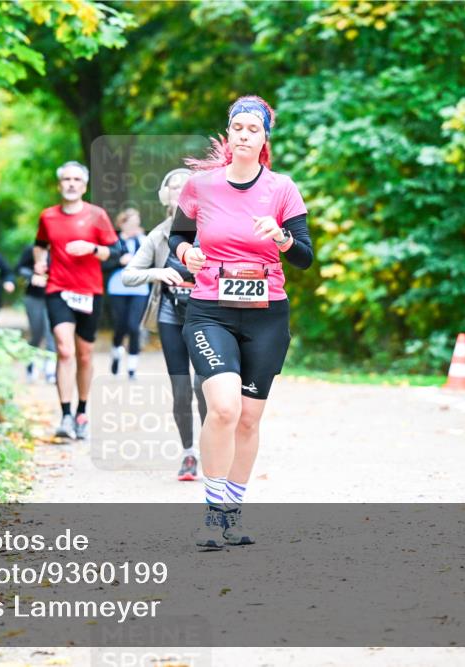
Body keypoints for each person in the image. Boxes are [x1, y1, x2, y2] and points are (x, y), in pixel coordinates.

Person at [169, 95, 314, 550]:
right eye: (238, 128)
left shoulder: (282, 188)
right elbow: (178, 236)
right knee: (224, 409)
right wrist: (187, 253)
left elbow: (305, 256)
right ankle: (212, 514)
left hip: (266, 315)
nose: (245, 135)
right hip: (210, 310)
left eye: (254, 129)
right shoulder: (200, 186)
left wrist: (282, 238)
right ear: (228, 134)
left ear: (265, 137)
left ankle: (232, 512)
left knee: (249, 420)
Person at [122, 168, 208, 481]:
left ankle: (212, 449)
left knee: (205, 387)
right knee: (182, 390)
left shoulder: (211, 229)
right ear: (164, 196)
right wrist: (156, 273)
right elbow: (128, 275)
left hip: (206, 315)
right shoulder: (157, 235)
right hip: (171, 316)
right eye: (174, 187)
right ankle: (188, 454)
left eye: (186, 186)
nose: (180, 191)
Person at [33, 161, 121, 440]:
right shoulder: (48, 216)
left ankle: (82, 411)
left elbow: (115, 252)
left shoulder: (97, 215)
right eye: (66, 179)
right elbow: (40, 245)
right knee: (64, 350)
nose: (71, 184)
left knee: (84, 354)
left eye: (76, 180)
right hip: (57, 288)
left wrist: (92, 248)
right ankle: (65, 415)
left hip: (89, 292)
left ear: (84, 186)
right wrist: (39, 264)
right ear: (60, 185)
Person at [105, 208, 150, 380]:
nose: (134, 227)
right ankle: (116, 354)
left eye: (136, 223)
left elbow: (153, 261)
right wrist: (119, 261)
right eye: (130, 223)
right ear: (122, 224)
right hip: (118, 288)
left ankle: (132, 368)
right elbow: (104, 265)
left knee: (134, 327)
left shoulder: (143, 240)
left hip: (139, 289)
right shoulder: (113, 241)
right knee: (120, 326)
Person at [16, 244, 57, 384]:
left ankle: (50, 369)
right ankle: (31, 363)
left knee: (50, 333)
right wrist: (32, 276)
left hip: (53, 297)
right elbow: (19, 268)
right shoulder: (32, 249)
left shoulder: (59, 249)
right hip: (34, 297)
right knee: (37, 333)